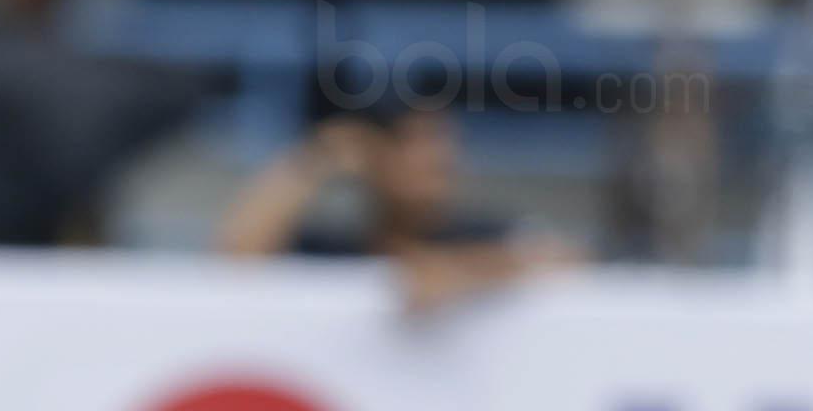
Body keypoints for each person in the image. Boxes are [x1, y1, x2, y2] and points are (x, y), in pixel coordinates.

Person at [216, 102, 582, 315]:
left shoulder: (485, 232)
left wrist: (458, 272)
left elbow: (565, 260)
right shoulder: (344, 246)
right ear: (375, 158)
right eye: (413, 147)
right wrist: (315, 159)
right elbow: (239, 252)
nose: (436, 159)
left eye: (441, 147)